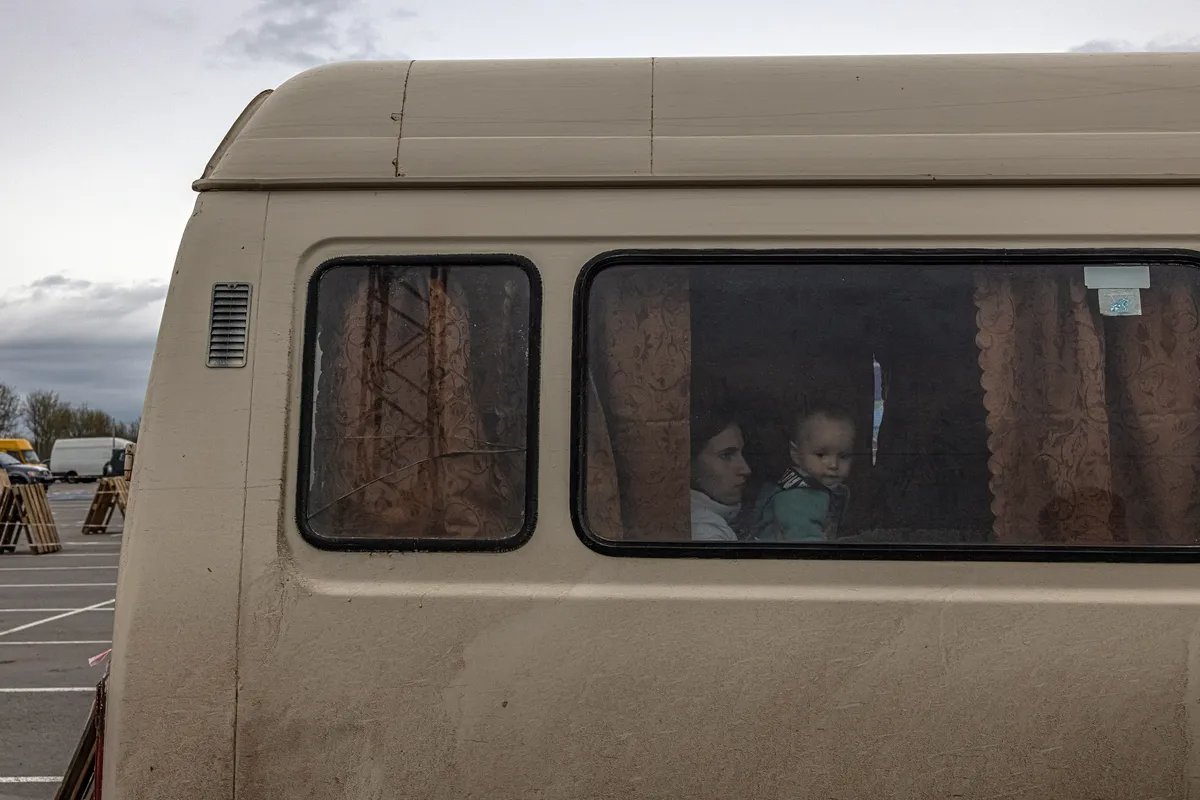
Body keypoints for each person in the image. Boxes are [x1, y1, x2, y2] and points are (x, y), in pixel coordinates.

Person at [752, 404, 855, 542]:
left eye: (843, 456)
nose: (833, 464)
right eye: (821, 454)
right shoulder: (795, 497)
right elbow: (807, 549)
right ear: (796, 454)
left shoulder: (822, 488)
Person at [689, 405, 751, 542]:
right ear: (690, 464)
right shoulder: (705, 533)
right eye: (726, 455)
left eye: (742, 454)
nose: (746, 469)